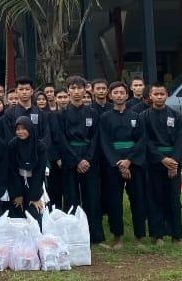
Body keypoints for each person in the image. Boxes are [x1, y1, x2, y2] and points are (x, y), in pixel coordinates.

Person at [54, 75, 106, 245]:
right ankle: (73, 236)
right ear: (67, 91)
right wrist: (76, 160)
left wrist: (87, 159)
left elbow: (96, 138)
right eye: (72, 88)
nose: (76, 92)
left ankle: (96, 236)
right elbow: (60, 139)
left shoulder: (92, 113)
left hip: (89, 159)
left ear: (85, 90)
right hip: (70, 159)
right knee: (71, 198)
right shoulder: (61, 114)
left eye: (79, 88)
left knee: (92, 198)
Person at [99, 81, 147, 248]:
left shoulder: (136, 116)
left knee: (138, 199)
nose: (119, 95)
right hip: (113, 164)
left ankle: (139, 237)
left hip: (133, 162)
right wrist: (118, 163)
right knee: (114, 201)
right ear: (110, 96)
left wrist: (129, 161)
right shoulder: (104, 118)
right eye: (115, 93)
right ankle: (117, 236)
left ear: (127, 95)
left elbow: (141, 140)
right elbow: (104, 142)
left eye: (122, 93)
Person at [140, 83, 182, 245]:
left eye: (162, 94)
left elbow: (181, 140)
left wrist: (174, 163)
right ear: (150, 96)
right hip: (153, 163)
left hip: (173, 162)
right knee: (154, 198)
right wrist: (161, 159)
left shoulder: (176, 116)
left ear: (167, 95)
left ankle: (177, 235)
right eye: (156, 94)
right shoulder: (144, 117)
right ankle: (157, 234)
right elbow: (144, 140)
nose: (159, 97)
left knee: (174, 199)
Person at [6, 117, 46, 224]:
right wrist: (17, 194)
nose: (20, 132)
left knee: (35, 215)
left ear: (30, 128)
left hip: (34, 185)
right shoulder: (13, 144)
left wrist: (35, 197)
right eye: (18, 129)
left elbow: (39, 173)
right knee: (16, 216)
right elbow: (12, 171)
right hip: (17, 184)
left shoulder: (39, 146)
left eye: (24, 129)